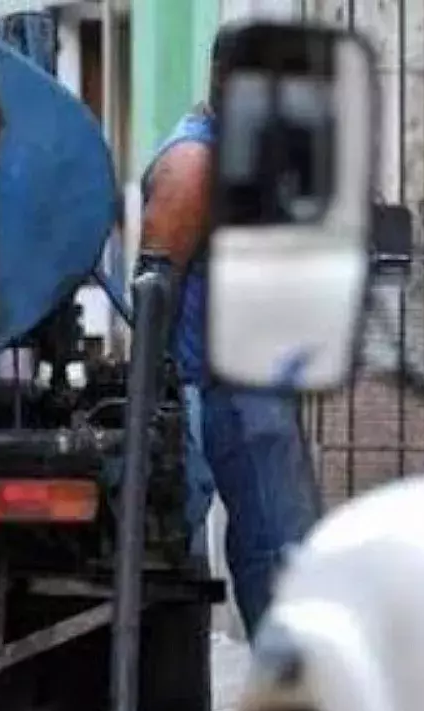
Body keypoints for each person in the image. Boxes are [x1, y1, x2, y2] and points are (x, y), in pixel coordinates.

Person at [136, 50, 323, 638]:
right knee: (269, 553)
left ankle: (290, 687)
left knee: (282, 554)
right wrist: (157, 402)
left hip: (247, 383)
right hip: (208, 390)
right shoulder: (195, 160)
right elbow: (154, 296)